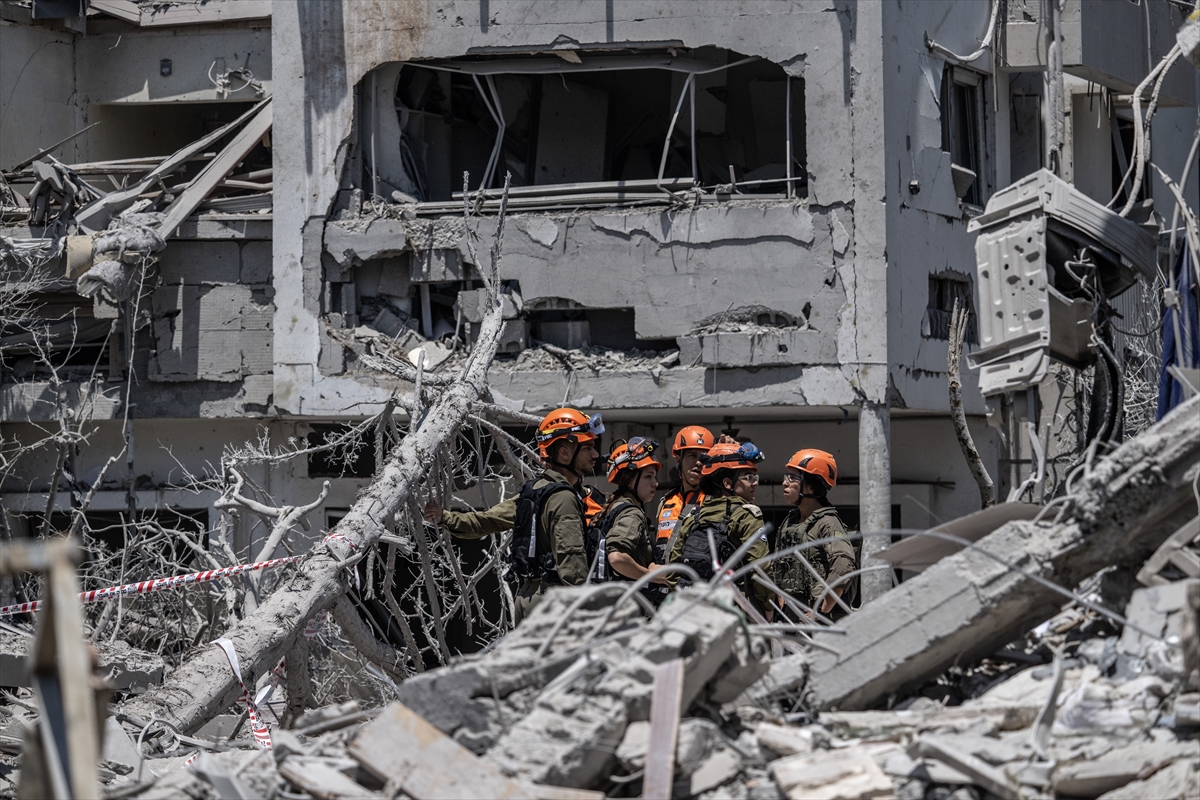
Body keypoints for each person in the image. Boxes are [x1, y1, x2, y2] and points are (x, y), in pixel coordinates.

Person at [423, 407, 602, 623]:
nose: (595, 454)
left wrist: (444, 517)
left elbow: (485, 521)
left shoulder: (535, 492)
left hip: (528, 600)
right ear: (564, 453)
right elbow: (572, 565)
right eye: (588, 447)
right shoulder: (563, 498)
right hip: (557, 605)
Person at [668, 441, 772, 612]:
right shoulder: (746, 515)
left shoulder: (692, 518)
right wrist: (768, 607)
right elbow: (761, 567)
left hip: (697, 611)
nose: (755, 483)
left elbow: (673, 572)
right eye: (748, 477)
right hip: (738, 612)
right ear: (727, 483)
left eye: (755, 477)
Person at [773, 449, 858, 621]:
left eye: (792, 478)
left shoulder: (828, 523)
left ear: (810, 486)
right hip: (792, 617)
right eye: (786, 477)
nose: (784, 483)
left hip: (818, 623)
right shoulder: (791, 521)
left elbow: (843, 565)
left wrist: (822, 609)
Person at [592, 438, 670, 605]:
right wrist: (652, 576)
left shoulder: (615, 506)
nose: (655, 483)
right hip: (630, 606)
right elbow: (617, 558)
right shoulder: (631, 513)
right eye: (648, 476)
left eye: (654, 477)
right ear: (629, 479)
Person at [653, 426, 713, 563]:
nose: (699, 462)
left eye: (704, 457)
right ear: (678, 460)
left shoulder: (715, 500)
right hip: (665, 575)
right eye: (692, 455)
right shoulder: (666, 501)